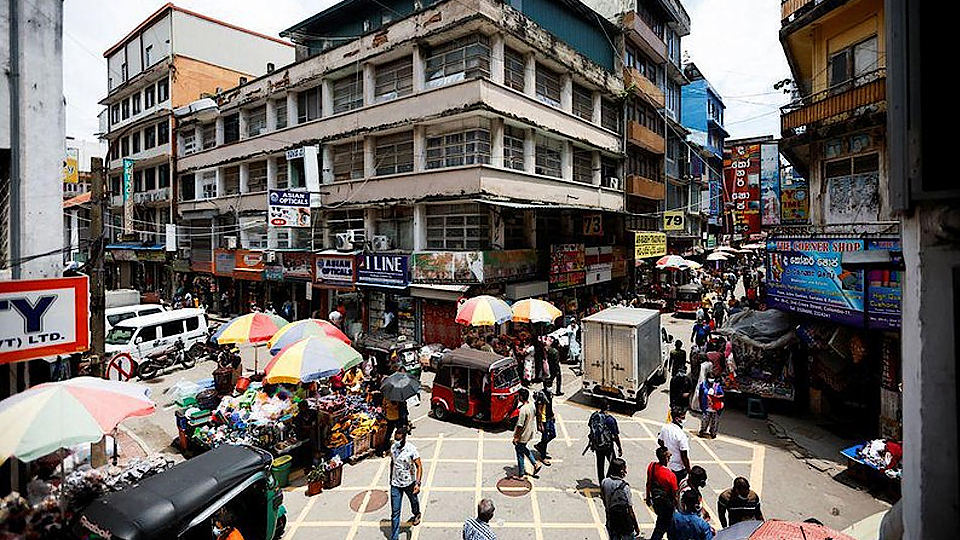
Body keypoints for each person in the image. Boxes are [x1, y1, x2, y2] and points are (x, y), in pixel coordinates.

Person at [389, 426, 422, 540]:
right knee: (395, 513)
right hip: (395, 484)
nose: (396, 442)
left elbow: (419, 466)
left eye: (398, 439)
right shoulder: (393, 448)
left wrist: (418, 484)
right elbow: (392, 463)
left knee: (414, 501)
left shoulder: (411, 449)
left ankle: (417, 513)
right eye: (395, 439)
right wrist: (390, 478)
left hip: (409, 483)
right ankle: (394, 538)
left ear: (404, 438)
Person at [600, 457, 640, 540]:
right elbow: (630, 510)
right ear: (621, 471)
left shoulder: (604, 482)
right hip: (625, 522)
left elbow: (604, 500)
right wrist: (636, 526)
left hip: (611, 519)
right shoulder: (625, 487)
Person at [587, 398, 623, 486]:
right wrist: (619, 447)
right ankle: (608, 482)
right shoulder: (610, 420)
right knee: (613, 463)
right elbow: (615, 436)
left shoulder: (594, 416)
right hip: (607, 446)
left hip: (597, 445)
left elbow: (590, 427)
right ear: (608, 407)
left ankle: (602, 484)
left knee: (600, 465)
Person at [646, 447, 678, 540]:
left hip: (656, 501)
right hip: (667, 506)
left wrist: (648, 497)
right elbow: (675, 494)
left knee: (662, 523)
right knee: (663, 526)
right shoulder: (671, 476)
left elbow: (648, 483)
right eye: (669, 455)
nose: (671, 456)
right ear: (665, 458)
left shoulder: (651, 466)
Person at [512, 388, 541, 479]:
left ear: (521, 397)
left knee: (519, 453)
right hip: (529, 432)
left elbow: (520, 425)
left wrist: (516, 437)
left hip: (523, 435)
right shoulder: (531, 405)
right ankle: (535, 464)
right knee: (523, 448)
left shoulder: (523, 410)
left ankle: (521, 474)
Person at [657, 406, 691, 483]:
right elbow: (684, 456)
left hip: (667, 464)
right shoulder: (681, 435)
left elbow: (660, 441)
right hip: (678, 469)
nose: (684, 419)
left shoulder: (665, 427)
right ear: (677, 418)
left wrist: (666, 448)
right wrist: (689, 471)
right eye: (683, 417)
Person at [698, 372, 724, 439]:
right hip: (706, 407)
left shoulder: (717, 386)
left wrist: (716, 397)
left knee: (714, 421)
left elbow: (722, 394)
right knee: (705, 420)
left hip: (715, 408)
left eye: (713, 378)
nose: (711, 380)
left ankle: (713, 433)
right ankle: (702, 431)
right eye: (710, 378)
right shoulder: (703, 385)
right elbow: (701, 394)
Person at [534, 388, 556, 464]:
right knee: (545, 438)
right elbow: (539, 411)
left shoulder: (550, 393)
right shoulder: (541, 395)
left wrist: (552, 415)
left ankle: (540, 445)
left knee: (553, 434)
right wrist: (540, 424)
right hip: (544, 420)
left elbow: (550, 406)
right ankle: (542, 457)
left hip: (549, 418)